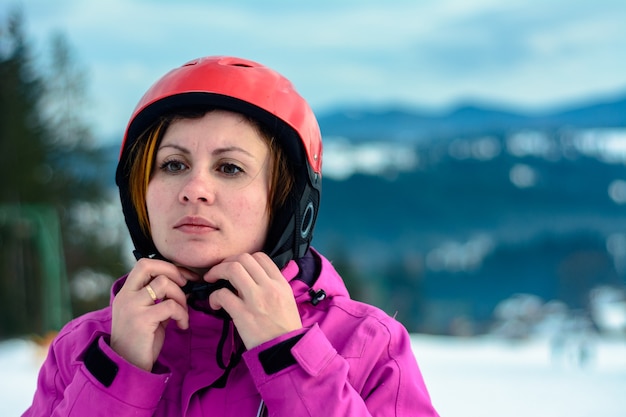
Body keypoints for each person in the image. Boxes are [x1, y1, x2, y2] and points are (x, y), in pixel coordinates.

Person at [23, 56, 439, 416]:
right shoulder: (84, 350)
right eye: (172, 165)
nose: (195, 188)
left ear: (287, 202)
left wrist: (289, 357)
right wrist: (118, 372)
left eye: (229, 168)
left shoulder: (367, 346)